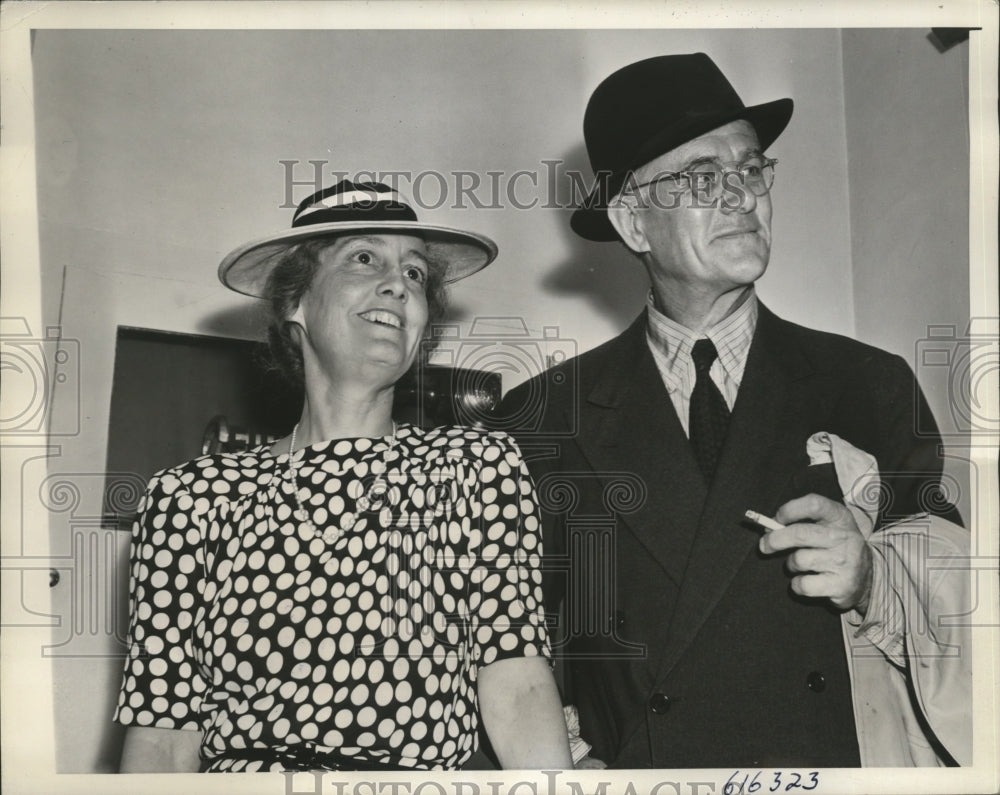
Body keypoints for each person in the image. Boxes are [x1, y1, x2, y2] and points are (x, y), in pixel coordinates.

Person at [500, 53, 969, 768]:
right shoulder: (539, 416)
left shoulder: (870, 383)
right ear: (631, 221)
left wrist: (872, 576)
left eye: (751, 170)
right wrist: (555, 757)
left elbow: (965, 614)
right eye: (701, 177)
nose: (742, 196)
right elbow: (504, 644)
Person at [113, 179, 573, 772]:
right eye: (364, 257)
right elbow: (162, 734)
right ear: (294, 302)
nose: (398, 285)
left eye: (415, 275)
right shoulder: (189, 499)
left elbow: (517, 683)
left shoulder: (475, 468)